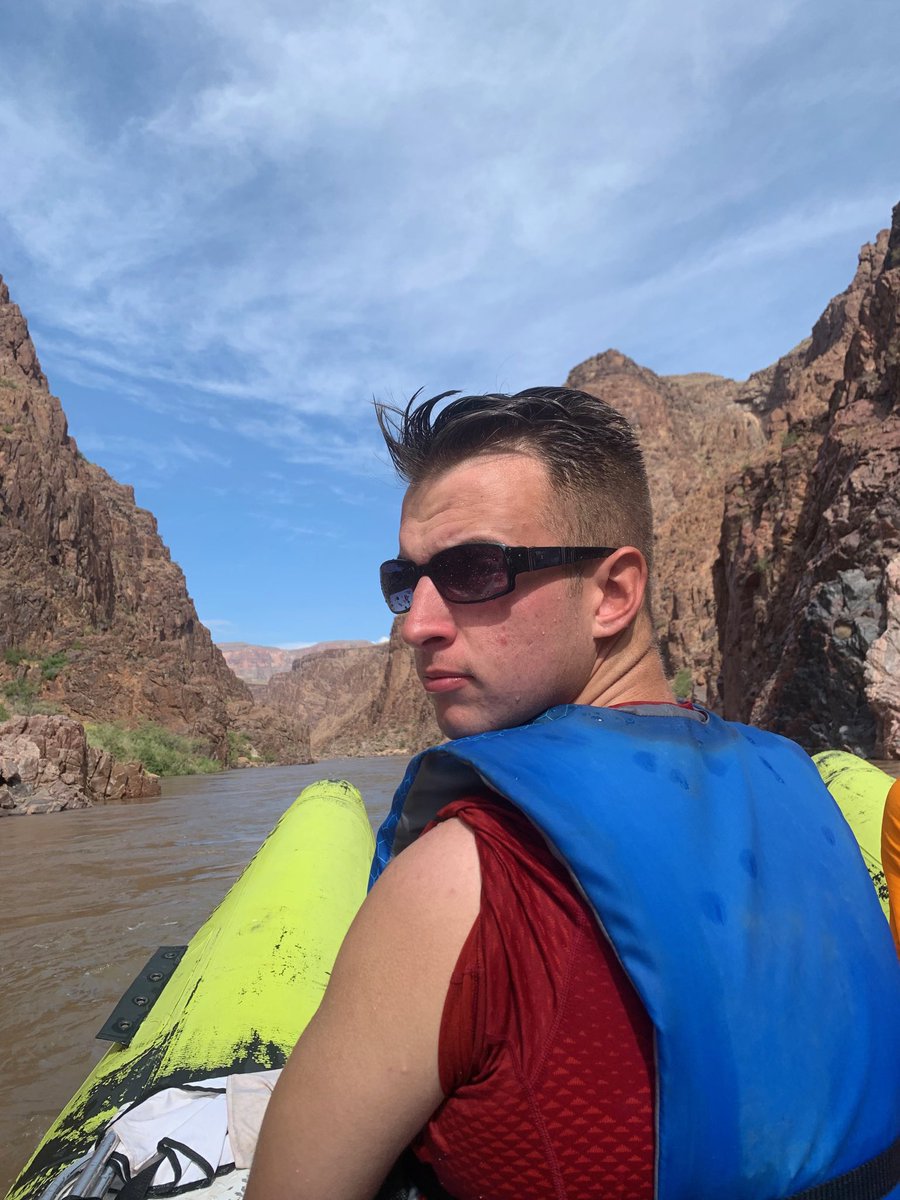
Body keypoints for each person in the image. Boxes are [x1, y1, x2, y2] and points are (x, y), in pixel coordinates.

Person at [246, 388, 900, 1200]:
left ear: (613, 595)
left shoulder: (460, 880)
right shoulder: (806, 791)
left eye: (473, 570)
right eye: (404, 580)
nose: (416, 624)